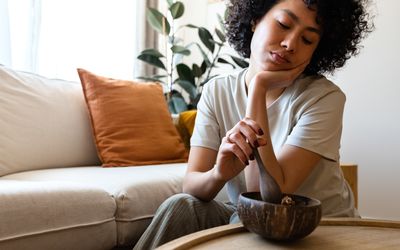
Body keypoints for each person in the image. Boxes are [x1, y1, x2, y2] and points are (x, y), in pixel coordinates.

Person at [133, 0, 373, 249]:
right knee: (180, 206)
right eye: (283, 24)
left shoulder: (324, 98)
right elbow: (191, 185)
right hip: (252, 221)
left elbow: (267, 198)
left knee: (245, 220)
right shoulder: (217, 91)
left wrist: (258, 88)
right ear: (255, 19)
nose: (290, 43)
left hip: (323, 228)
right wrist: (218, 173)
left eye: (307, 40)